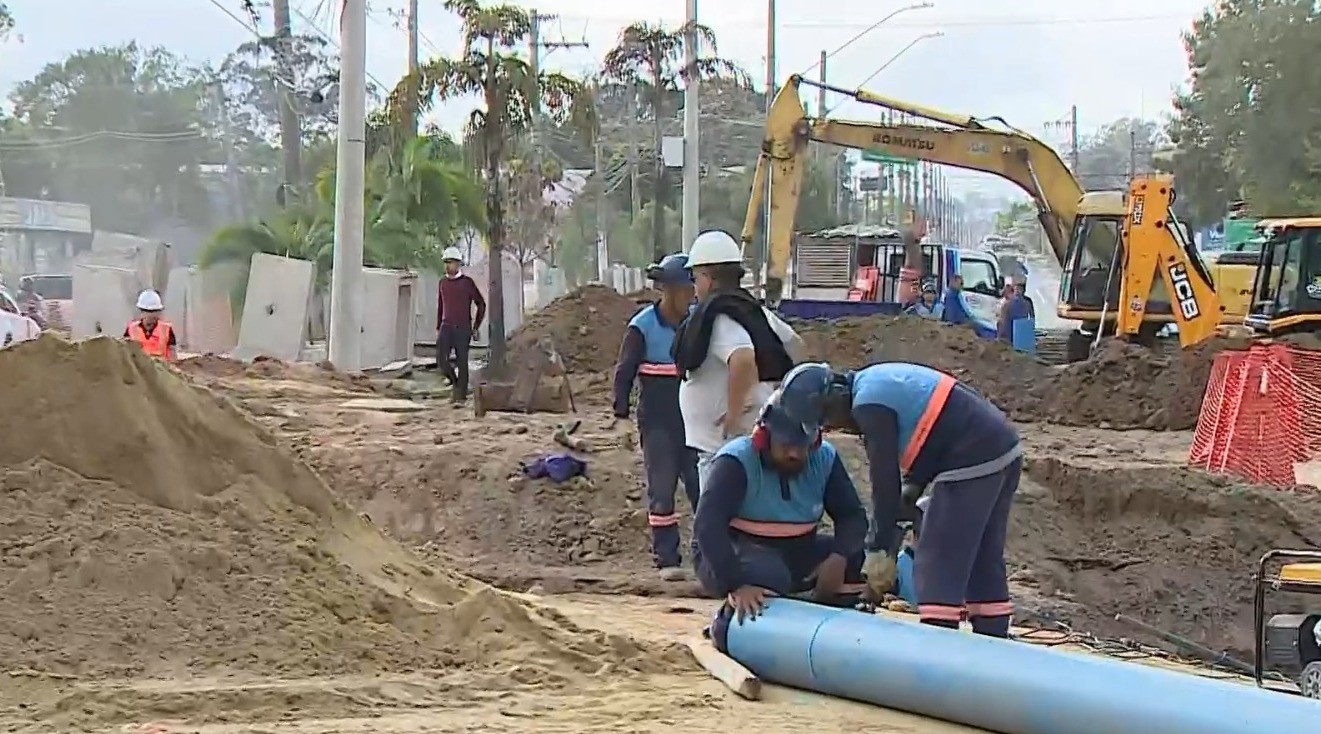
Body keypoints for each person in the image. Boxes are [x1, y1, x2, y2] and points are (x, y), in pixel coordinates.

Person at [782, 361, 1022, 638]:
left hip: (972, 456)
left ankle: (938, 639)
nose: (836, 426)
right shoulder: (878, 381)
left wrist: (879, 548)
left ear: (833, 396)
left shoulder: (868, 405)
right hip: (1002, 449)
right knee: (982, 553)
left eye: (827, 418)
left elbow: (884, 482)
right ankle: (992, 636)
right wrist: (913, 487)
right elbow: (938, 429)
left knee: (938, 551)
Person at [693, 386, 869, 624]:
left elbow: (852, 516)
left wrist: (838, 558)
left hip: (796, 550)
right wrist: (736, 584)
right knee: (769, 574)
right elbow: (707, 525)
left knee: (855, 558)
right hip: (737, 550)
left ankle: (806, 593)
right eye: (786, 445)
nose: (795, 454)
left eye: (802, 445)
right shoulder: (736, 461)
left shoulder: (824, 458)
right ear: (765, 437)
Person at [672, 230, 804, 485]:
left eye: (695, 277)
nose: (694, 285)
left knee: (717, 519)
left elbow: (742, 358)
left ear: (708, 277)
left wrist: (735, 413)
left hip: (723, 449)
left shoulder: (720, 317)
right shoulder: (754, 312)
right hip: (740, 444)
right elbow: (796, 346)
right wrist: (775, 393)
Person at [613, 253, 701, 581]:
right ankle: (667, 559)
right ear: (666, 290)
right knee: (662, 489)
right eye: (684, 291)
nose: (689, 297)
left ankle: (706, 556)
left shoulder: (697, 324)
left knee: (700, 487)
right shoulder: (642, 327)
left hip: (694, 421)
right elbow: (624, 373)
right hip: (657, 423)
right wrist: (620, 416)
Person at [436, 247, 486, 404]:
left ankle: (460, 396)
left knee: (461, 361)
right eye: (445, 262)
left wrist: (476, 326)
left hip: (463, 327)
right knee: (441, 360)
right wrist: (438, 327)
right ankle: (455, 382)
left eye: (450, 262)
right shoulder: (442, 283)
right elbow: (441, 306)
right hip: (446, 326)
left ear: (457, 264)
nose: (447, 266)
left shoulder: (467, 283)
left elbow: (481, 304)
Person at [124, 289, 176, 360]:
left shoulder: (166, 329)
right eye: (148, 311)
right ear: (141, 311)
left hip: (160, 369)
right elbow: (125, 352)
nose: (151, 315)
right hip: (138, 369)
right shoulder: (131, 329)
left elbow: (172, 353)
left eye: (154, 311)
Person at [998, 279, 1032, 344]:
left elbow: (1001, 322)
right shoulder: (1027, 303)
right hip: (1019, 336)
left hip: (1010, 337)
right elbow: (1031, 320)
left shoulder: (1007, 304)